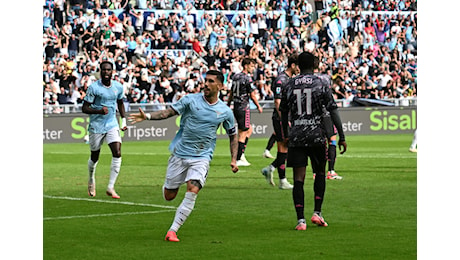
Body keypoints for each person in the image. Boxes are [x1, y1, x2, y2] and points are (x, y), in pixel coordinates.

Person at [127, 70, 239, 242]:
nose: (206, 84)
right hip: (180, 154)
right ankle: (170, 186)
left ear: (220, 86)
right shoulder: (190, 100)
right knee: (169, 196)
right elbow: (167, 113)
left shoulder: (225, 111)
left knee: (193, 189)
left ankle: (172, 231)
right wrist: (147, 116)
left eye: (210, 81)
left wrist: (233, 158)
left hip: (202, 157)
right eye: (205, 80)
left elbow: (233, 134)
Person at [280, 52, 347, 230]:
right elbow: (333, 110)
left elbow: (283, 111)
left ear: (298, 66)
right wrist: (341, 135)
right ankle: (317, 212)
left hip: (297, 136)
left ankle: (300, 220)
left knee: (298, 178)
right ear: (314, 66)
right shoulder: (321, 83)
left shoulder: (289, 84)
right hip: (317, 135)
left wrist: (286, 133)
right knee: (320, 173)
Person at [82, 61, 128, 199]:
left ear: (112, 71)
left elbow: (120, 103)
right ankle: (91, 179)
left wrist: (123, 120)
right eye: (104, 70)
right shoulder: (94, 88)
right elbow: (84, 108)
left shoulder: (118, 87)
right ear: (100, 71)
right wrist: (99, 111)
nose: (106, 72)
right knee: (95, 156)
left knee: (117, 152)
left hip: (112, 124)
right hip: (96, 126)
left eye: (109, 70)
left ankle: (110, 187)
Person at [261, 54, 299, 190]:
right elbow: (277, 102)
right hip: (281, 118)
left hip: (285, 118)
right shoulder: (281, 80)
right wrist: (285, 119)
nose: (299, 69)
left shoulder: (289, 79)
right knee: (285, 148)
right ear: (293, 65)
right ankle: (280, 178)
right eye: (298, 66)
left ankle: (273, 170)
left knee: (285, 148)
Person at [227, 57, 263, 166]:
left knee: (249, 129)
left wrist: (228, 104)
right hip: (244, 107)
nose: (253, 69)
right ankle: (238, 158)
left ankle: (241, 154)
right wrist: (258, 106)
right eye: (251, 66)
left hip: (236, 106)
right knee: (243, 132)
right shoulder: (247, 78)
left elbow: (232, 92)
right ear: (246, 66)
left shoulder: (235, 76)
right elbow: (252, 94)